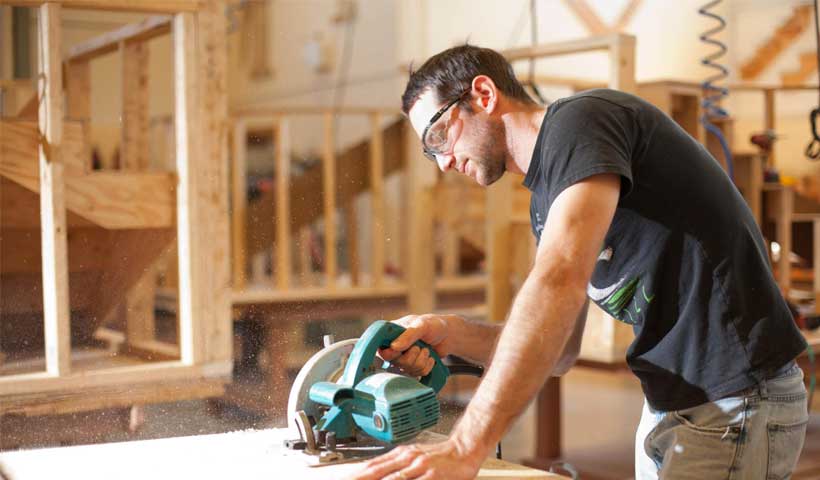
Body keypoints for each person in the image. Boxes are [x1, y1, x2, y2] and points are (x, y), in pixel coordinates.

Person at [350, 45, 809, 480]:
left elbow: (558, 281)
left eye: (438, 136)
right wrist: (451, 332)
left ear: (484, 95)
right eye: (429, 151)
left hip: (735, 400)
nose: (443, 162)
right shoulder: (548, 200)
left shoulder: (582, 121)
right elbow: (561, 352)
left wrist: (465, 446)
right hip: (675, 405)